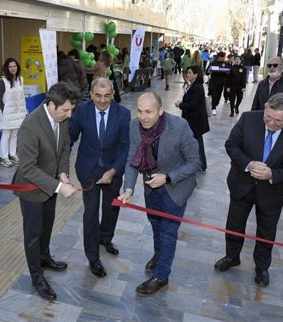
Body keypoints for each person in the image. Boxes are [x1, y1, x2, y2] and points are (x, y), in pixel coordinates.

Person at [215, 93, 283, 287]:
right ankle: (232, 256)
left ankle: (262, 267)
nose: (271, 123)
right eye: (268, 117)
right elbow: (231, 145)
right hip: (241, 184)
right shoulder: (248, 118)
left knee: (266, 231)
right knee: (234, 223)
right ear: (265, 108)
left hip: (272, 191)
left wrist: (273, 174)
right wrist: (248, 164)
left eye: (278, 120)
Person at [118, 92, 201, 296]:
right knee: (155, 225)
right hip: (150, 186)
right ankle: (159, 255)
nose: (143, 117)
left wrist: (168, 177)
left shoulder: (179, 127)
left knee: (168, 232)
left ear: (160, 110)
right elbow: (132, 158)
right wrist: (128, 188)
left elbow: (195, 162)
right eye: (139, 111)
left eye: (149, 111)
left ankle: (161, 276)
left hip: (176, 187)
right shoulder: (134, 126)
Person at [12, 82, 81, 301]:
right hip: (31, 189)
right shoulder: (30, 126)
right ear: (51, 105)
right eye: (66, 110)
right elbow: (28, 168)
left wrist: (62, 173)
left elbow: (64, 148)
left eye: (72, 109)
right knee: (32, 235)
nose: (70, 115)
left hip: (50, 186)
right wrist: (60, 187)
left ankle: (44, 257)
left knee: (47, 225)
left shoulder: (61, 119)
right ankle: (37, 277)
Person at [69, 78, 130, 278]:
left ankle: (106, 238)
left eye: (107, 96)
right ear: (91, 94)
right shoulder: (81, 111)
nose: (102, 100)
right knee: (91, 212)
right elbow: (70, 138)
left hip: (113, 169)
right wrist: (59, 167)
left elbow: (125, 147)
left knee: (112, 207)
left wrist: (113, 171)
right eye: (98, 96)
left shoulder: (123, 114)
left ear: (113, 94)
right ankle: (93, 257)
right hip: (89, 169)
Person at [0, 57, 28, 167]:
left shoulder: (21, 79)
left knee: (15, 134)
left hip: (18, 112)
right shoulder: (3, 81)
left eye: (14, 66)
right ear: (7, 68)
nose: (13, 68)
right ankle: (4, 157)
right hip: (7, 113)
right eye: (10, 67)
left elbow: (21, 96)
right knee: (6, 135)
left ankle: (13, 154)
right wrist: (4, 110)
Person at [251, 56, 283, 123]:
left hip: (281, 125)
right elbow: (255, 105)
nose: (272, 67)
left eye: (275, 65)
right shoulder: (262, 84)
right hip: (262, 124)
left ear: (282, 67)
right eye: (269, 65)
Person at [178, 65, 209, 171]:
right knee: (193, 141)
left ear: (196, 74)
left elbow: (193, 105)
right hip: (191, 119)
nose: (187, 74)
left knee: (197, 142)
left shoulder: (197, 87)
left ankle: (201, 164)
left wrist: (180, 105)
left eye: (190, 73)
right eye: (187, 72)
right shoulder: (192, 86)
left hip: (195, 120)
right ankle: (194, 162)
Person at [206, 51, 230, 115]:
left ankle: (215, 105)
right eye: (222, 57)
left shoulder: (226, 63)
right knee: (214, 94)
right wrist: (210, 71)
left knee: (219, 95)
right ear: (219, 57)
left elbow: (229, 72)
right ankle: (213, 108)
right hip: (214, 82)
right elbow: (207, 72)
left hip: (221, 82)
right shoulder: (213, 63)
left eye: (224, 57)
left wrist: (228, 72)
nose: (224, 58)